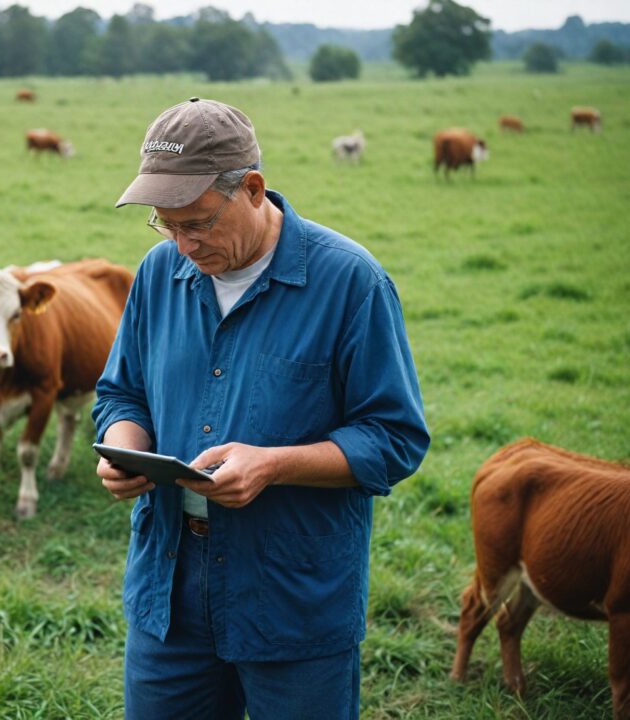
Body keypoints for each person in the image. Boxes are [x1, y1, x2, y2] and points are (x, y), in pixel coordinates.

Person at [92, 97, 429, 720]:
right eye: (166, 224)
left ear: (252, 188)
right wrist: (126, 442)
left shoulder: (351, 283)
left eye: (196, 222)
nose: (183, 243)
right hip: (169, 588)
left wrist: (273, 464)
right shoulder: (158, 273)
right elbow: (121, 391)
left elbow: (395, 437)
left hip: (293, 596)